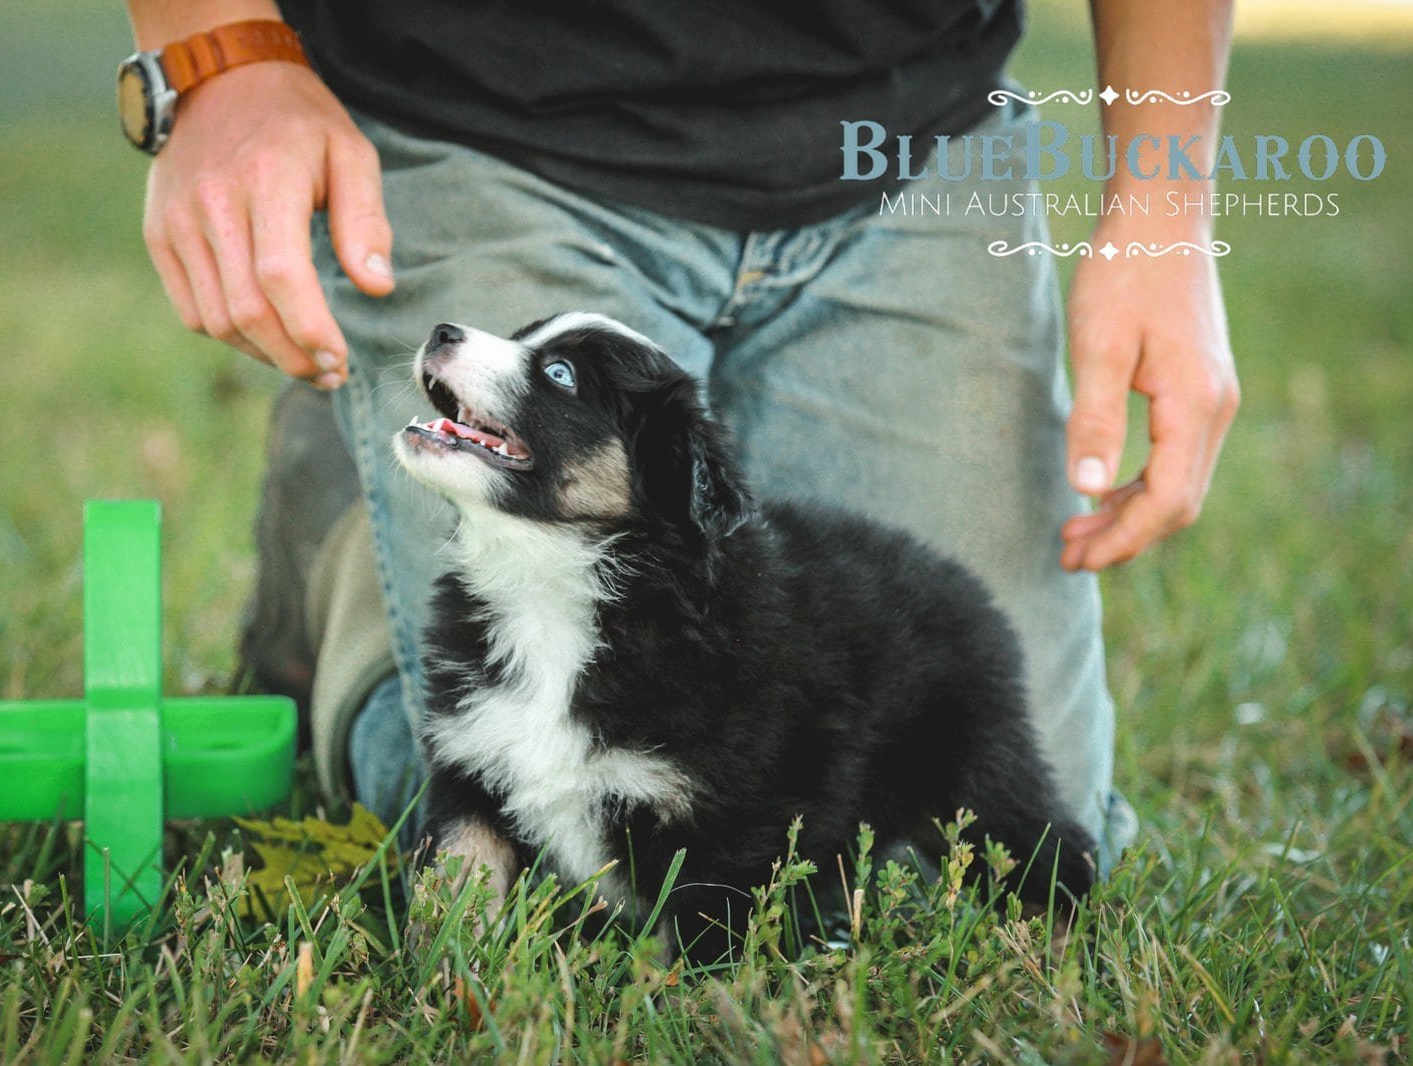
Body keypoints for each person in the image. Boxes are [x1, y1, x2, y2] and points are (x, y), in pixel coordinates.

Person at [119, 0, 1239, 872]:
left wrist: (1164, 202)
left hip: (903, 135)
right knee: (509, 818)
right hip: (482, 115)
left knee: (1001, 834)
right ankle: (361, 523)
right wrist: (217, 51)